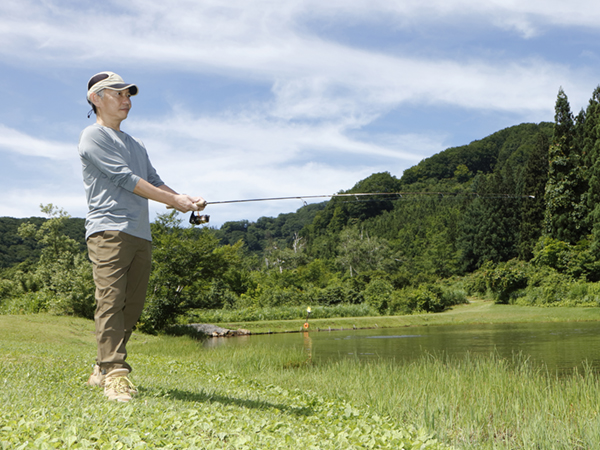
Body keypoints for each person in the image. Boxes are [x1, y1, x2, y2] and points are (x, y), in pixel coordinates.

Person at [78, 71, 206, 402]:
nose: (126, 100)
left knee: (131, 307)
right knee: (110, 301)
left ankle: (101, 366)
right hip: (108, 230)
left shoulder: (137, 144)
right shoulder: (93, 136)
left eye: (129, 95)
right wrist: (173, 201)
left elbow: (154, 181)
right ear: (96, 98)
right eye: (118, 94)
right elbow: (126, 179)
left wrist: (184, 200)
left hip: (140, 233)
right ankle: (115, 375)